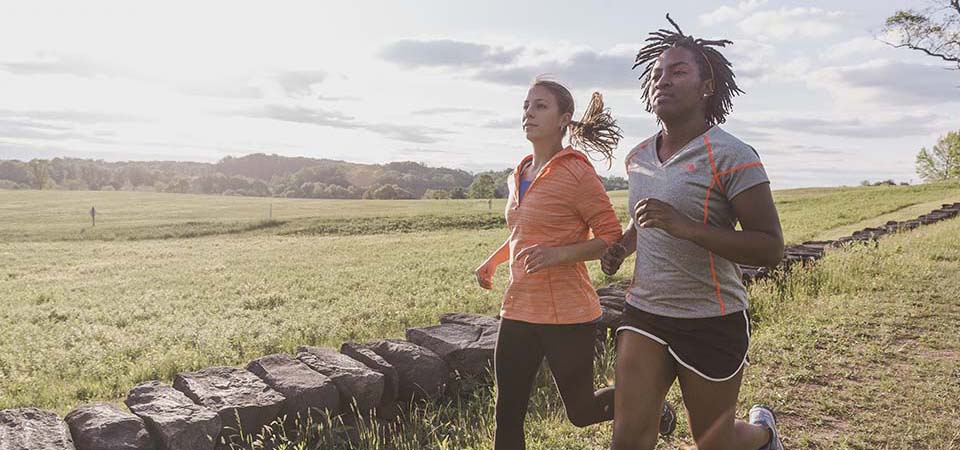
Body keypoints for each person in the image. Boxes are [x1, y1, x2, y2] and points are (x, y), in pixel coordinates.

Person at [603, 15, 786, 450]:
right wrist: (622, 248)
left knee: (714, 442)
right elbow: (644, 218)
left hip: (711, 318)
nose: (662, 81)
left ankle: (763, 435)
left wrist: (687, 228)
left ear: (707, 87)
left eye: (678, 71)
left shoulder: (733, 155)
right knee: (627, 439)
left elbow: (770, 247)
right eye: (656, 74)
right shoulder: (638, 157)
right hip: (645, 313)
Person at [475, 77, 674, 450]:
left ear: (564, 119)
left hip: (567, 314)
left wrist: (558, 255)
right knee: (507, 412)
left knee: (580, 411)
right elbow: (524, 233)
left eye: (540, 106)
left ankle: (652, 405)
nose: (528, 113)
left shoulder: (577, 172)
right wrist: (493, 261)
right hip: (518, 309)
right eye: (526, 106)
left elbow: (611, 237)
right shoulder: (517, 174)